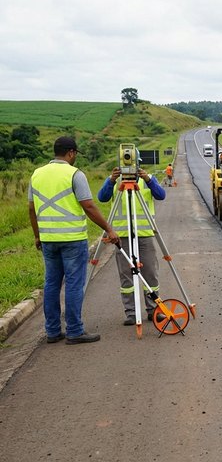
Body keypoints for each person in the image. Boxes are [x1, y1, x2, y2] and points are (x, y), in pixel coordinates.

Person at [28, 136, 119, 345]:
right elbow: (88, 206)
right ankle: (75, 331)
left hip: (48, 239)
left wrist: (37, 235)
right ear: (71, 153)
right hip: (72, 238)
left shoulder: (37, 174)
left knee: (51, 284)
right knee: (73, 284)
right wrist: (108, 229)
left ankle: (52, 331)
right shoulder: (75, 174)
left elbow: (31, 208)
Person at [97, 161, 166, 325]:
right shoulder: (115, 181)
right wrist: (111, 181)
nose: (131, 167)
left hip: (144, 234)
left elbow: (161, 195)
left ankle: (153, 310)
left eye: (134, 163)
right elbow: (102, 198)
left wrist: (148, 180)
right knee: (126, 277)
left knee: (150, 273)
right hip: (122, 236)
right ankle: (131, 313)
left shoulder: (146, 180)